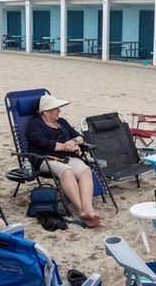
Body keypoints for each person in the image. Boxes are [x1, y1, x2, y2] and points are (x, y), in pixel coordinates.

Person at [25, 94, 100, 227]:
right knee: (66, 171)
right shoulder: (34, 124)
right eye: (56, 108)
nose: (59, 111)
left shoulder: (62, 122)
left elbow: (80, 137)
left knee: (85, 170)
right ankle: (81, 210)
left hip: (67, 157)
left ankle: (88, 208)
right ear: (46, 111)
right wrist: (67, 147)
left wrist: (73, 141)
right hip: (45, 159)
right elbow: (44, 143)